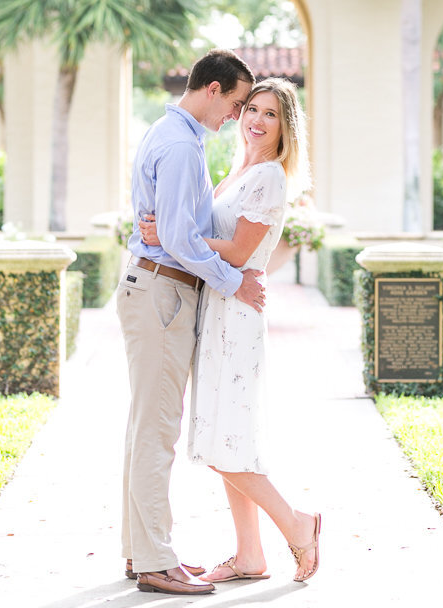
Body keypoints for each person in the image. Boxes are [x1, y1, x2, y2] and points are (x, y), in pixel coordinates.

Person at [139, 76, 321, 584]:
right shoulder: (242, 171)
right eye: (251, 110)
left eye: (269, 115)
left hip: (236, 316)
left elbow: (239, 253)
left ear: (286, 128)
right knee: (228, 437)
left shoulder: (269, 178)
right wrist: (184, 234)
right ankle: (249, 556)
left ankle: (298, 524)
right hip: (216, 306)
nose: (256, 121)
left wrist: (176, 235)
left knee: (223, 442)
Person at [116, 48, 267, 596]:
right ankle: (155, 561)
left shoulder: (175, 135)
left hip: (155, 287)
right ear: (211, 88)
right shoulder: (181, 145)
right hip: (161, 292)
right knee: (156, 432)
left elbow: (177, 230)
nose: (236, 114)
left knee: (145, 429)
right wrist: (233, 281)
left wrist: (182, 242)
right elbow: (178, 237)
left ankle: (141, 552)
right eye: (234, 102)